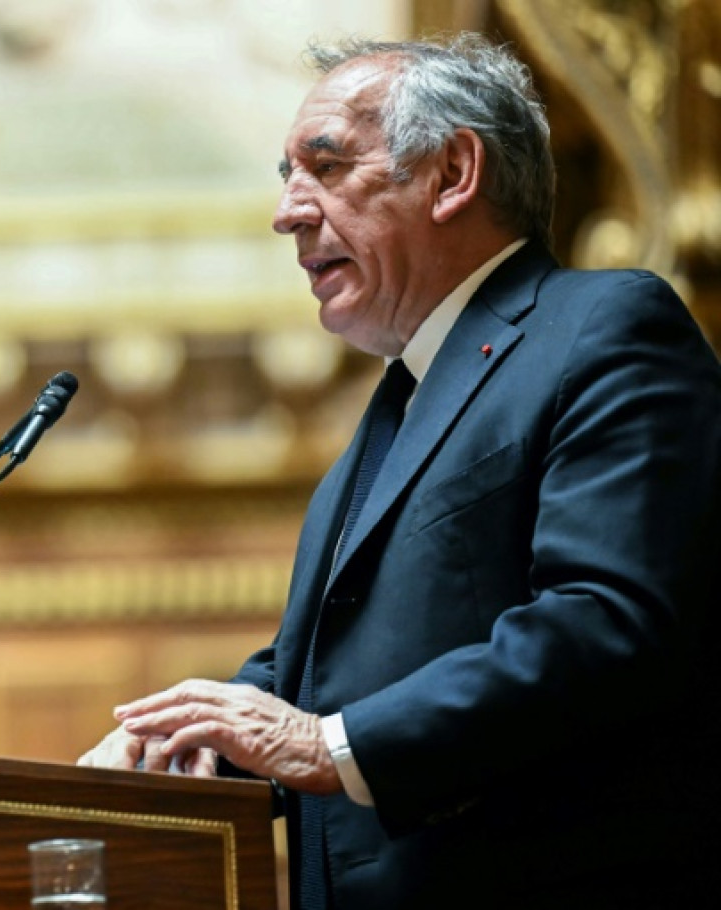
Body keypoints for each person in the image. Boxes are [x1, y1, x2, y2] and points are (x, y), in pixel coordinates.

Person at [79, 34, 721, 910]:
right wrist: (183, 744)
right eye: (284, 175)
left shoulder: (603, 327)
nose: (287, 212)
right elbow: (312, 678)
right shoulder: (398, 402)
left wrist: (331, 746)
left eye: (326, 166)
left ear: (454, 171)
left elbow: (605, 621)